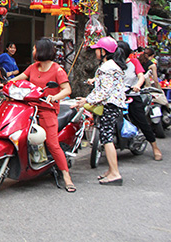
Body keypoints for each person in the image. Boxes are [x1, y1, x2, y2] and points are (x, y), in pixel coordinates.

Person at [8, 38, 76, 192]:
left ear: (42, 51)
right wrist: (6, 84)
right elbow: (20, 78)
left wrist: (55, 97)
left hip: (47, 109)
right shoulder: (33, 67)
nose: (32, 51)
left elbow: (67, 89)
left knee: (52, 144)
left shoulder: (57, 70)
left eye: (34, 48)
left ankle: (66, 176)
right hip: (30, 107)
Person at [75, 36, 127, 186]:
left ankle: (115, 174)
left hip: (109, 105)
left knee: (106, 138)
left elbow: (104, 91)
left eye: (98, 49)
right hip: (113, 104)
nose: (96, 52)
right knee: (106, 137)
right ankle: (111, 171)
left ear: (104, 51)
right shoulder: (111, 66)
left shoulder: (107, 68)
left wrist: (87, 100)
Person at [119, 41, 163, 161]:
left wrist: (138, 85)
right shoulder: (113, 64)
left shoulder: (133, 62)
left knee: (141, 120)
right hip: (117, 97)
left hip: (132, 95)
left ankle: (154, 146)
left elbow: (141, 76)